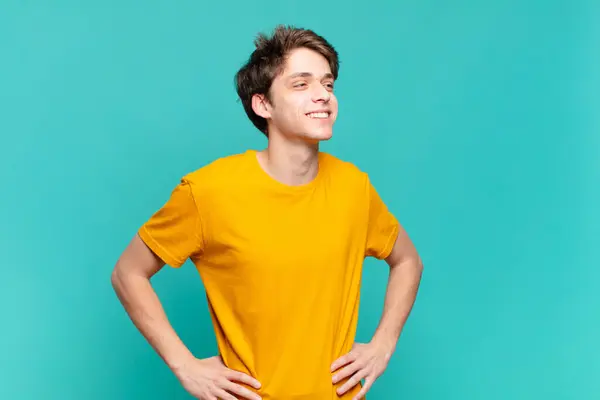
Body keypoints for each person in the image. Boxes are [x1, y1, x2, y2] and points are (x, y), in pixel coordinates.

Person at [111, 24, 423, 400]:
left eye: (328, 84)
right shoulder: (209, 192)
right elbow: (128, 273)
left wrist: (382, 345)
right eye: (301, 84)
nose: (322, 95)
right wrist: (185, 365)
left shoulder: (353, 187)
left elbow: (408, 261)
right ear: (263, 105)